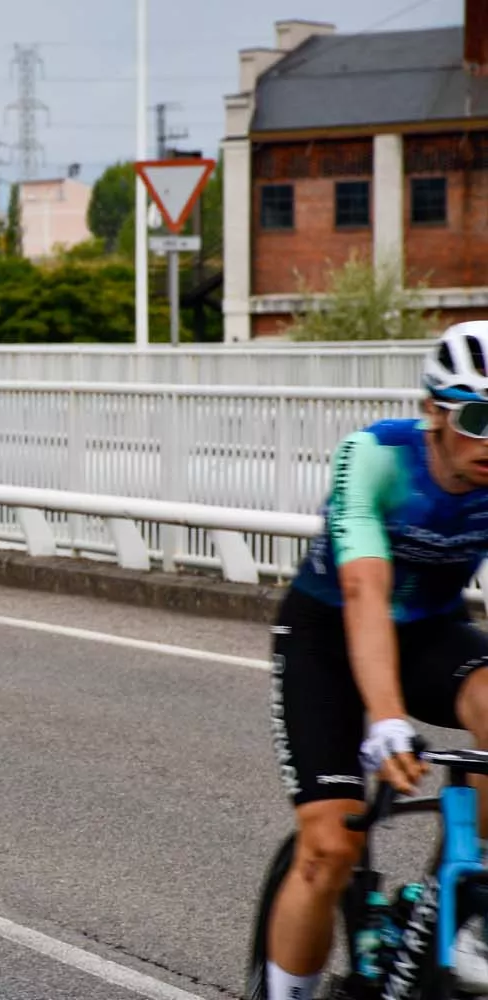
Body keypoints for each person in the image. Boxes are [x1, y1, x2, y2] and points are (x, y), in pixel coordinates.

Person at [265, 321, 488, 1000]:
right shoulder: (376, 457)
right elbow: (364, 589)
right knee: (330, 847)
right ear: (434, 411)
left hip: (431, 632)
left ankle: (470, 893)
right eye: (478, 418)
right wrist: (386, 717)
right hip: (328, 636)